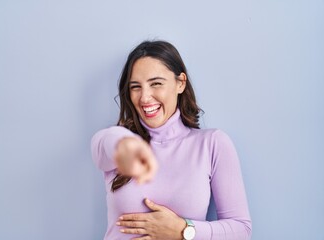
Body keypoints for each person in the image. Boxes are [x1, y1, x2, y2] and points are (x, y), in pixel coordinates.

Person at [91, 40, 252, 240]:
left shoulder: (212, 143)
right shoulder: (117, 143)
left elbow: (241, 230)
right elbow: (101, 142)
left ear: (180, 83)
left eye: (156, 83)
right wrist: (125, 145)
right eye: (135, 87)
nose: (145, 98)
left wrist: (184, 230)